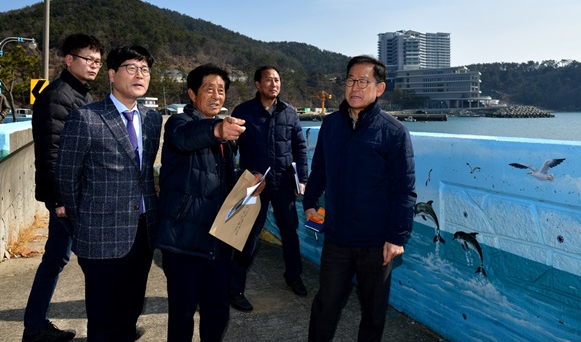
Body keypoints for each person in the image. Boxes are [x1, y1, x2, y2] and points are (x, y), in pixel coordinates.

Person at [303, 55, 417, 342]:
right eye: (351, 80)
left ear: (379, 88)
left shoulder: (394, 132)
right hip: (337, 238)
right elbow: (320, 169)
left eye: (363, 81)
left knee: (373, 313)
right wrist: (310, 203)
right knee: (325, 305)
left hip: (376, 243)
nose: (355, 87)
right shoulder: (331, 125)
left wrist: (397, 237)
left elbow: (404, 189)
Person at [56, 45, 162, 342]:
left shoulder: (152, 120)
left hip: (143, 229)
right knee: (103, 318)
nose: (140, 75)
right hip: (100, 232)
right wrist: (84, 220)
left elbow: (144, 172)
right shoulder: (86, 118)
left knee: (131, 310)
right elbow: (67, 177)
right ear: (112, 74)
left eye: (145, 70)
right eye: (132, 68)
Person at [156, 64, 264, 342]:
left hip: (218, 239)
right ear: (192, 94)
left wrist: (250, 181)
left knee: (217, 312)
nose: (217, 96)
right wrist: (217, 129)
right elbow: (185, 139)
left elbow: (223, 178)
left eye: (221, 90)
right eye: (209, 89)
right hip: (183, 240)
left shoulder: (225, 137)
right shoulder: (179, 124)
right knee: (182, 314)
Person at [23, 33, 104, 342]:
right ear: (69, 60)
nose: (94, 65)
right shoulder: (58, 95)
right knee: (96, 260)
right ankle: (111, 324)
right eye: (88, 59)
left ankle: (34, 328)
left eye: (98, 61)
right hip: (67, 197)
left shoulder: (80, 94)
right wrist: (60, 199)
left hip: (74, 193)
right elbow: (51, 152)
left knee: (56, 259)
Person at [229, 65, 309, 312]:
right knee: (248, 237)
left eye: (277, 80)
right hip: (255, 186)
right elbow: (230, 150)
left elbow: (300, 148)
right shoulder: (243, 112)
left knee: (290, 233)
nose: (274, 84)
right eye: (268, 80)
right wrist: (240, 177)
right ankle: (235, 288)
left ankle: (293, 277)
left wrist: (302, 179)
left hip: (283, 184)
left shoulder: (290, 112)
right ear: (257, 84)